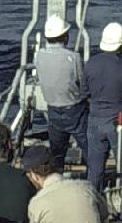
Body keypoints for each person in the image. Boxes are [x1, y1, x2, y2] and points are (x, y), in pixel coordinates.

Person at [84, 23, 122, 195]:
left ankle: (93, 206)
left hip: (95, 121)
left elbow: (84, 93)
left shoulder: (90, 64)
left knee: (94, 171)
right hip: (119, 122)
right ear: (121, 44)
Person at [35, 13, 89, 170]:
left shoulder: (38, 56)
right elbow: (81, 83)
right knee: (89, 148)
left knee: (57, 154)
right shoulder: (73, 57)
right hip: (75, 111)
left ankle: (57, 180)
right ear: (64, 36)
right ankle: (92, 182)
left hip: (53, 110)